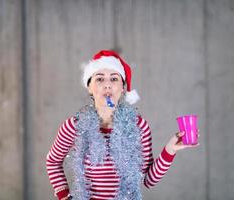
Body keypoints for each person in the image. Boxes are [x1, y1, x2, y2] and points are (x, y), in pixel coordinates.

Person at [46, 50, 199, 200]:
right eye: (99, 79)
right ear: (90, 88)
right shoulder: (74, 126)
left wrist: (170, 150)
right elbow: (52, 161)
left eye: (114, 79)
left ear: (122, 88)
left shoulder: (138, 126)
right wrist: (64, 196)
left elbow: (148, 180)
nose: (107, 85)